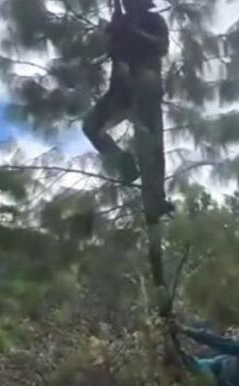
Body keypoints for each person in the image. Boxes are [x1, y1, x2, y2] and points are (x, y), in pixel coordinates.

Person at [82, 0, 172, 223]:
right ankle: (124, 164)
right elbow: (107, 50)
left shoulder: (154, 20)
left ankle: (156, 197)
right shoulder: (119, 21)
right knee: (91, 126)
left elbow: (162, 46)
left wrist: (134, 32)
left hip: (145, 84)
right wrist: (110, 35)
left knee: (153, 141)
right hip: (120, 89)